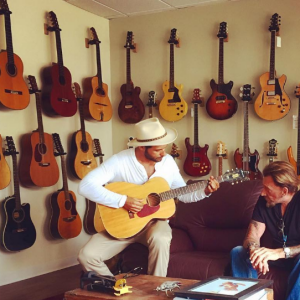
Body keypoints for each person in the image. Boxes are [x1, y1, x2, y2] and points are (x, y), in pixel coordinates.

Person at [78, 117, 219, 277]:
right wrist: (123, 201)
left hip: (154, 223)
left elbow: (182, 193)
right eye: (158, 150)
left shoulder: (167, 162)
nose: (163, 153)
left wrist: (205, 191)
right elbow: (85, 186)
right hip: (123, 224)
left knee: (161, 238)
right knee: (86, 256)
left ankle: (155, 290)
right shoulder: (119, 161)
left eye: (164, 148)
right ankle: (116, 288)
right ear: (141, 147)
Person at [230, 161, 300, 300]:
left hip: (295, 258)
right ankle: (251, 298)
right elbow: (253, 234)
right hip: (275, 257)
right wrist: (254, 250)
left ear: (284, 191)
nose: (262, 193)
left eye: (267, 189)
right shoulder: (265, 201)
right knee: (238, 252)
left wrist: (280, 252)